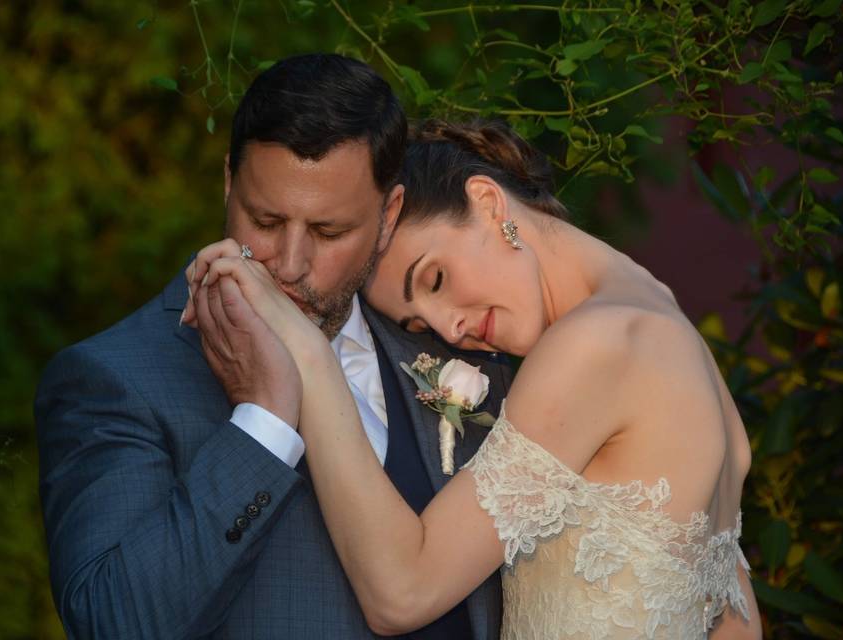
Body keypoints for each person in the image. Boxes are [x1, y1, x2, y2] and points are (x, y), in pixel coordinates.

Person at [184, 119, 763, 639]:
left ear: (488, 203)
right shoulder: (673, 332)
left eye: (433, 280)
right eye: (417, 323)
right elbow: (735, 621)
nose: (451, 327)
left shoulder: (595, 345)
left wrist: (308, 352)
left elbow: (402, 592)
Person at [35, 56, 510, 639]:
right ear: (229, 184)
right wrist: (262, 425)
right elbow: (114, 624)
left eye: (328, 232)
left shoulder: (460, 351)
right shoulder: (115, 377)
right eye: (264, 220)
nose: (288, 264)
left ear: (388, 217)